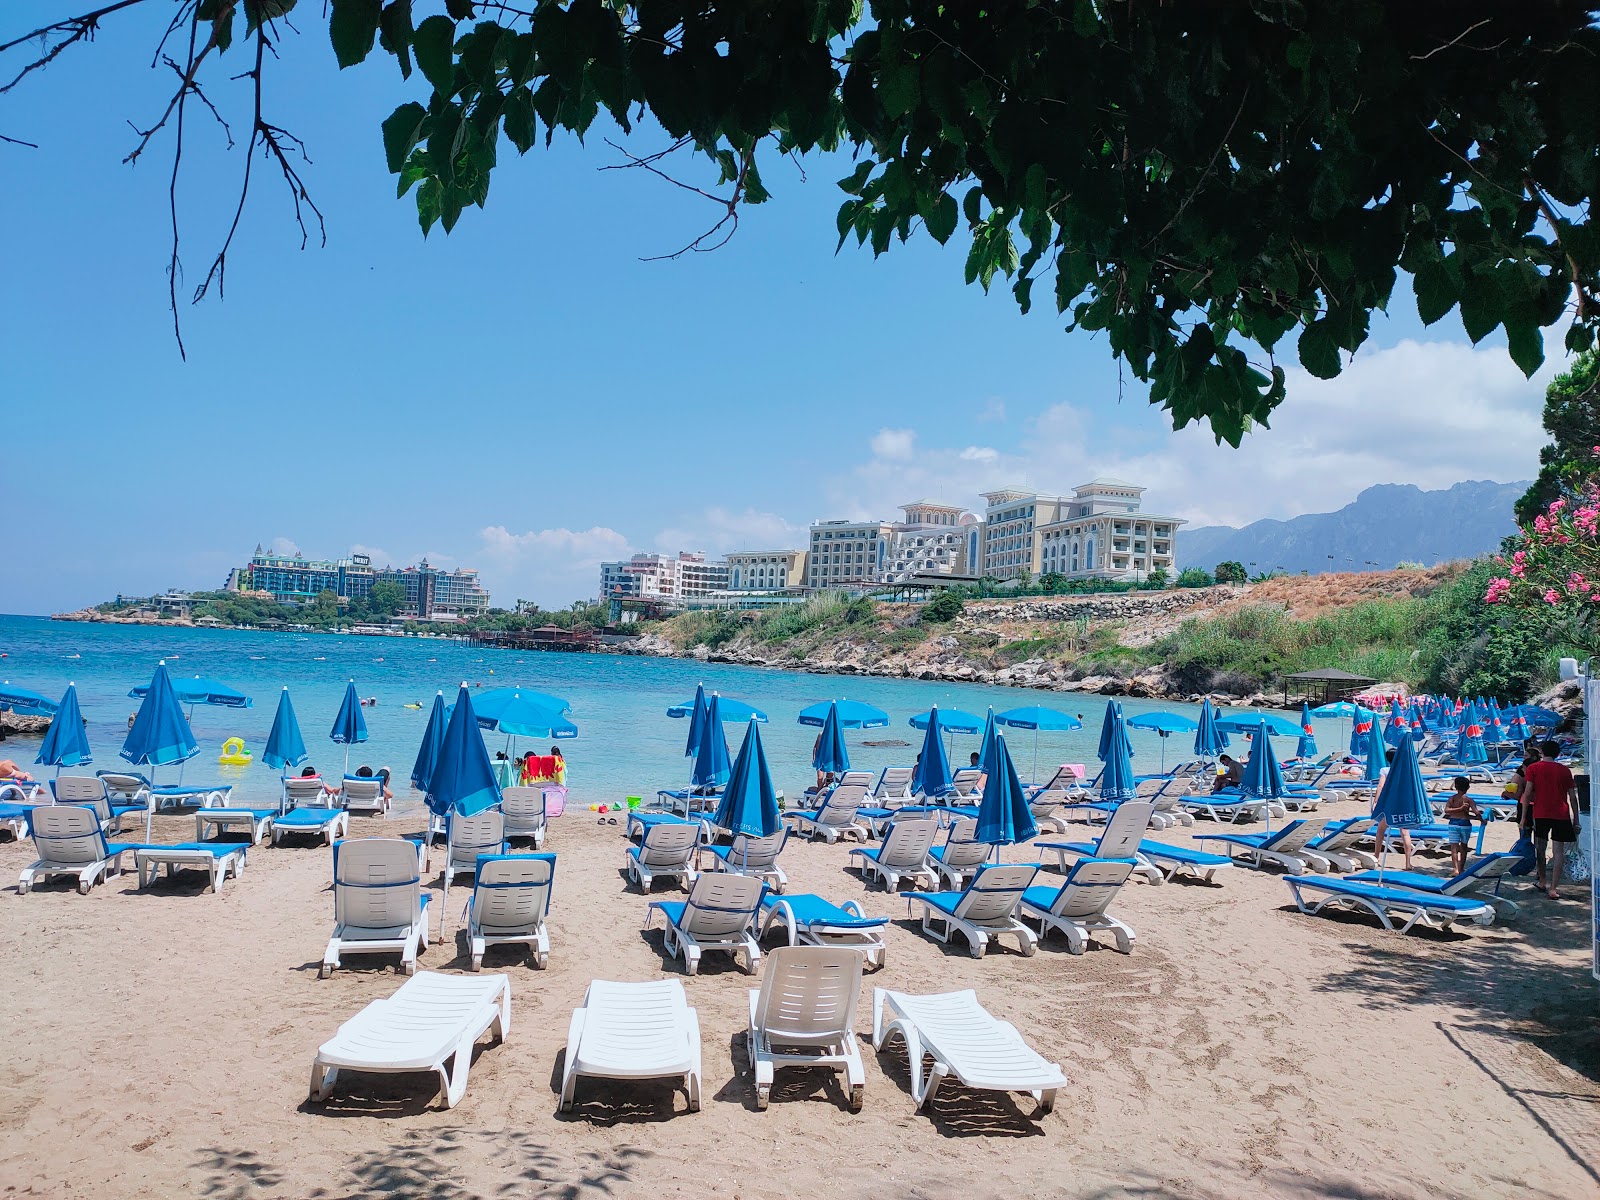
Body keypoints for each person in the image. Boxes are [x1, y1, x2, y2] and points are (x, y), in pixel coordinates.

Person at [1522, 738, 1581, 899]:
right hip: (1561, 813)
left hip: (1541, 812)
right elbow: (1573, 797)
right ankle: (1553, 888)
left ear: (1542, 753)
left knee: (1540, 848)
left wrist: (1522, 818)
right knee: (1558, 852)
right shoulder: (1564, 770)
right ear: (1558, 754)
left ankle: (1542, 881)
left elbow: (1527, 794)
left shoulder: (1534, 768)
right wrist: (1576, 820)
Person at [1441, 776, 1480, 875]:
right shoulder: (1469, 800)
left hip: (1453, 823)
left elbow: (1447, 810)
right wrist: (1482, 820)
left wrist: (1458, 809)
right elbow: (1476, 812)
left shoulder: (1452, 799)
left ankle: (1455, 869)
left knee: (1454, 847)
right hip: (1464, 824)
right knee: (1464, 847)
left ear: (1456, 787)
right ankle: (1461, 868)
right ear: (1468, 787)